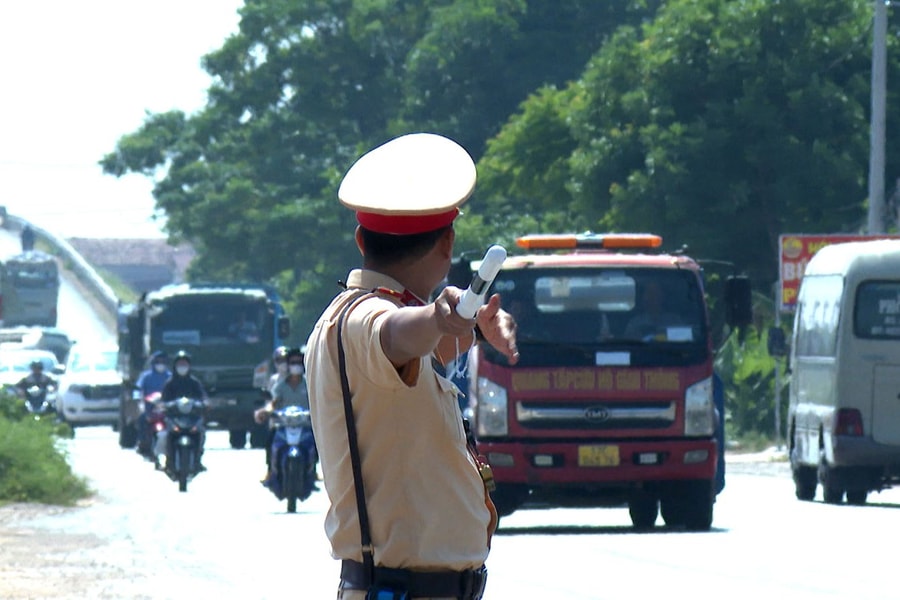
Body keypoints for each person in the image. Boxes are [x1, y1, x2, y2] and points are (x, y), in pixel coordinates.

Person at [305, 132, 519, 600]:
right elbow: (398, 334)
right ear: (448, 243)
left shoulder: (367, 319)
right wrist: (441, 314)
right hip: (401, 589)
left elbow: (424, 347)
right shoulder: (364, 317)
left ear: (361, 239)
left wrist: (473, 326)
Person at [254, 346, 310, 483]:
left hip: (305, 424)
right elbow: (273, 401)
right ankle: (271, 471)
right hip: (283, 424)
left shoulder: (309, 383)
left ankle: (313, 470)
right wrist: (266, 411)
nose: (295, 366)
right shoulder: (280, 385)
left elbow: (318, 400)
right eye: (293, 363)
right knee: (271, 441)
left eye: (299, 363)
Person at [156, 350, 208, 468]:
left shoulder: (194, 382)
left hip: (191, 417)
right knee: (165, 434)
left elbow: (202, 397)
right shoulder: (170, 383)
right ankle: (169, 460)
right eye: (180, 364)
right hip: (174, 417)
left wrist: (204, 403)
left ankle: (197, 460)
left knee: (201, 432)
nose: (182, 367)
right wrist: (163, 405)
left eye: (184, 364)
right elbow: (163, 400)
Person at [623, 279, 688, 341]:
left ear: (662, 297)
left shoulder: (674, 321)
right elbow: (629, 343)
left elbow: (684, 340)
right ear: (644, 298)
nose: (651, 298)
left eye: (655, 294)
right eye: (648, 294)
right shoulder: (635, 324)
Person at [134, 351, 171, 457]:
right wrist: (138, 400)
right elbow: (138, 390)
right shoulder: (146, 377)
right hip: (150, 408)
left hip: (166, 409)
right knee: (142, 420)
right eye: (158, 362)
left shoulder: (170, 377)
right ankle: (142, 443)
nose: (160, 364)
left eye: (163, 362)